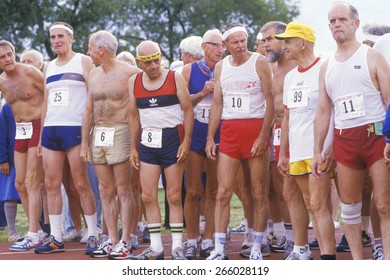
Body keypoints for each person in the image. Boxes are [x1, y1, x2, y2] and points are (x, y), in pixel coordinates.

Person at [312, 2, 390, 260]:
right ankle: (358, 264)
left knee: (383, 203)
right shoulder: (326, 66)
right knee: (349, 208)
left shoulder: (372, 57)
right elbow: (324, 111)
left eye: (342, 20)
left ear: (355, 24)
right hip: (345, 139)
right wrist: (318, 150)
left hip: (375, 135)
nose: (337, 24)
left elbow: (389, 101)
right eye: (332, 21)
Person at [205, 23, 274, 260]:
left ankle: (257, 244)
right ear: (225, 46)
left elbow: (270, 101)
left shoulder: (259, 62)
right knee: (224, 191)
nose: (241, 45)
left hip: (255, 129)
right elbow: (217, 104)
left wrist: (264, 135)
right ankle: (219, 248)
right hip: (230, 131)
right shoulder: (221, 67)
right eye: (235, 42)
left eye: (243, 40)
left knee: (257, 191)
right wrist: (210, 138)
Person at [34, 22, 98, 255]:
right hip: (51, 130)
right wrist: (41, 136)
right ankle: (56, 237)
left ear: (71, 37)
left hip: (75, 129)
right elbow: (45, 103)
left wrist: (89, 132)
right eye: (53, 37)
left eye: (61, 36)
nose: (56, 40)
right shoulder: (48, 66)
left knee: (81, 184)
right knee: (51, 184)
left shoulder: (83, 61)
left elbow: (93, 95)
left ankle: (92, 234)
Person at [128, 40, 194, 260]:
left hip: (172, 139)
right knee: (147, 195)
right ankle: (156, 247)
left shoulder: (174, 77)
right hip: (148, 141)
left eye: (157, 60)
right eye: (148, 62)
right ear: (139, 63)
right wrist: (133, 147)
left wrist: (186, 142)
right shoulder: (134, 82)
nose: (154, 66)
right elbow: (133, 116)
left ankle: (177, 246)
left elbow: (187, 110)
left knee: (174, 195)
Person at [275, 22, 335, 260]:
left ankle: (328, 257)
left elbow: (332, 109)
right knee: (311, 204)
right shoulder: (290, 77)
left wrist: (328, 147)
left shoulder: (325, 67)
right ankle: (314, 253)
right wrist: (282, 153)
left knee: (319, 205)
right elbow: (288, 117)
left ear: (304, 42)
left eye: (288, 41)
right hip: (297, 150)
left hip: (318, 149)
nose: (284, 46)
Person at [80, 30, 141, 259]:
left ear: (101, 49)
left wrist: (136, 144)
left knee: (123, 189)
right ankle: (112, 239)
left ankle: (126, 240)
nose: (88, 52)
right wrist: (85, 143)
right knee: (105, 189)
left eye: (90, 48)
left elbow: (139, 109)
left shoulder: (131, 73)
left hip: (121, 129)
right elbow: (88, 111)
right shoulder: (94, 75)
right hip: (99, 132)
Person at [181, 28, 224, 259]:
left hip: (218, 135)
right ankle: (191, 239)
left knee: (214, 191)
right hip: (195, 133)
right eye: (215, 45)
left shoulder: (226, 70)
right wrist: (201, 92)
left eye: (222, 46)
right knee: (193, 190)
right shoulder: (188, 70)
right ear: (204, 47)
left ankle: (208, 240)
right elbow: (182, 102)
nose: (220, 50)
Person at [0, 40, 46, 251]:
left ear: (14, 53)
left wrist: (45, 131)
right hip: (21, 131)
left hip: (37, 125)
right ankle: (36, 230)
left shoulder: (30, 72)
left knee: (31, 181)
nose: (8, 59)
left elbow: (48, 97)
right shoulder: (2, 81)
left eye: (10, 54)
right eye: (2, 57)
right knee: (19, 184)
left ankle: (33, 233)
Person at [259, 21, 296, 258]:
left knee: (294, 189)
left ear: (284, 39)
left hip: (297, 132)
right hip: (276, 132)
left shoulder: (296, 66)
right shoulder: (270, 69)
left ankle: (298, 241)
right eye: (263, 40)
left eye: (270, 39)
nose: (265, 44)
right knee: (276, 187)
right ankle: (285, 235)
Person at [0, 102, 21, 242]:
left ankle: (38, 230)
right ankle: (12, 232)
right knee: (10, 194)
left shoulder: (36, 101)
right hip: (11, 159)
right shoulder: (8, 107)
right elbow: (1, 133)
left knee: (35, 193)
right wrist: (3, 159)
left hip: (30, 156)